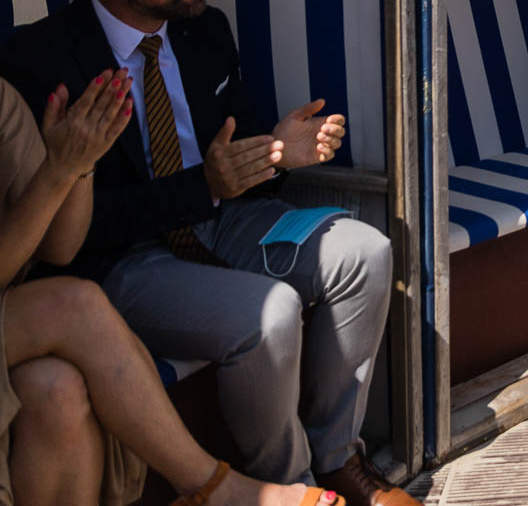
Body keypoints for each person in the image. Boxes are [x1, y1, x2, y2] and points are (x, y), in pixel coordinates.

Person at [0, 0, 417, 506]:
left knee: (367, 252)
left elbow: (233, 155)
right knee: (269, 313)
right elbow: (69, 234)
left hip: (225, 219)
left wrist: (279, 153)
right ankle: (288, 482)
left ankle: (337, 462)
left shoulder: (204, 30)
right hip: (124, 259)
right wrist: (205, 186)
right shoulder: (41, 60)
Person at [1, 71, 335, 505]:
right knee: (74, 302)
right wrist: (58, 172)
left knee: (55, 388)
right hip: (98, 277)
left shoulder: (4, 101)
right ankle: (214, 488)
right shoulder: (54, 49)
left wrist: (77, 166)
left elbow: (60, 247)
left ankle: (336, 463)